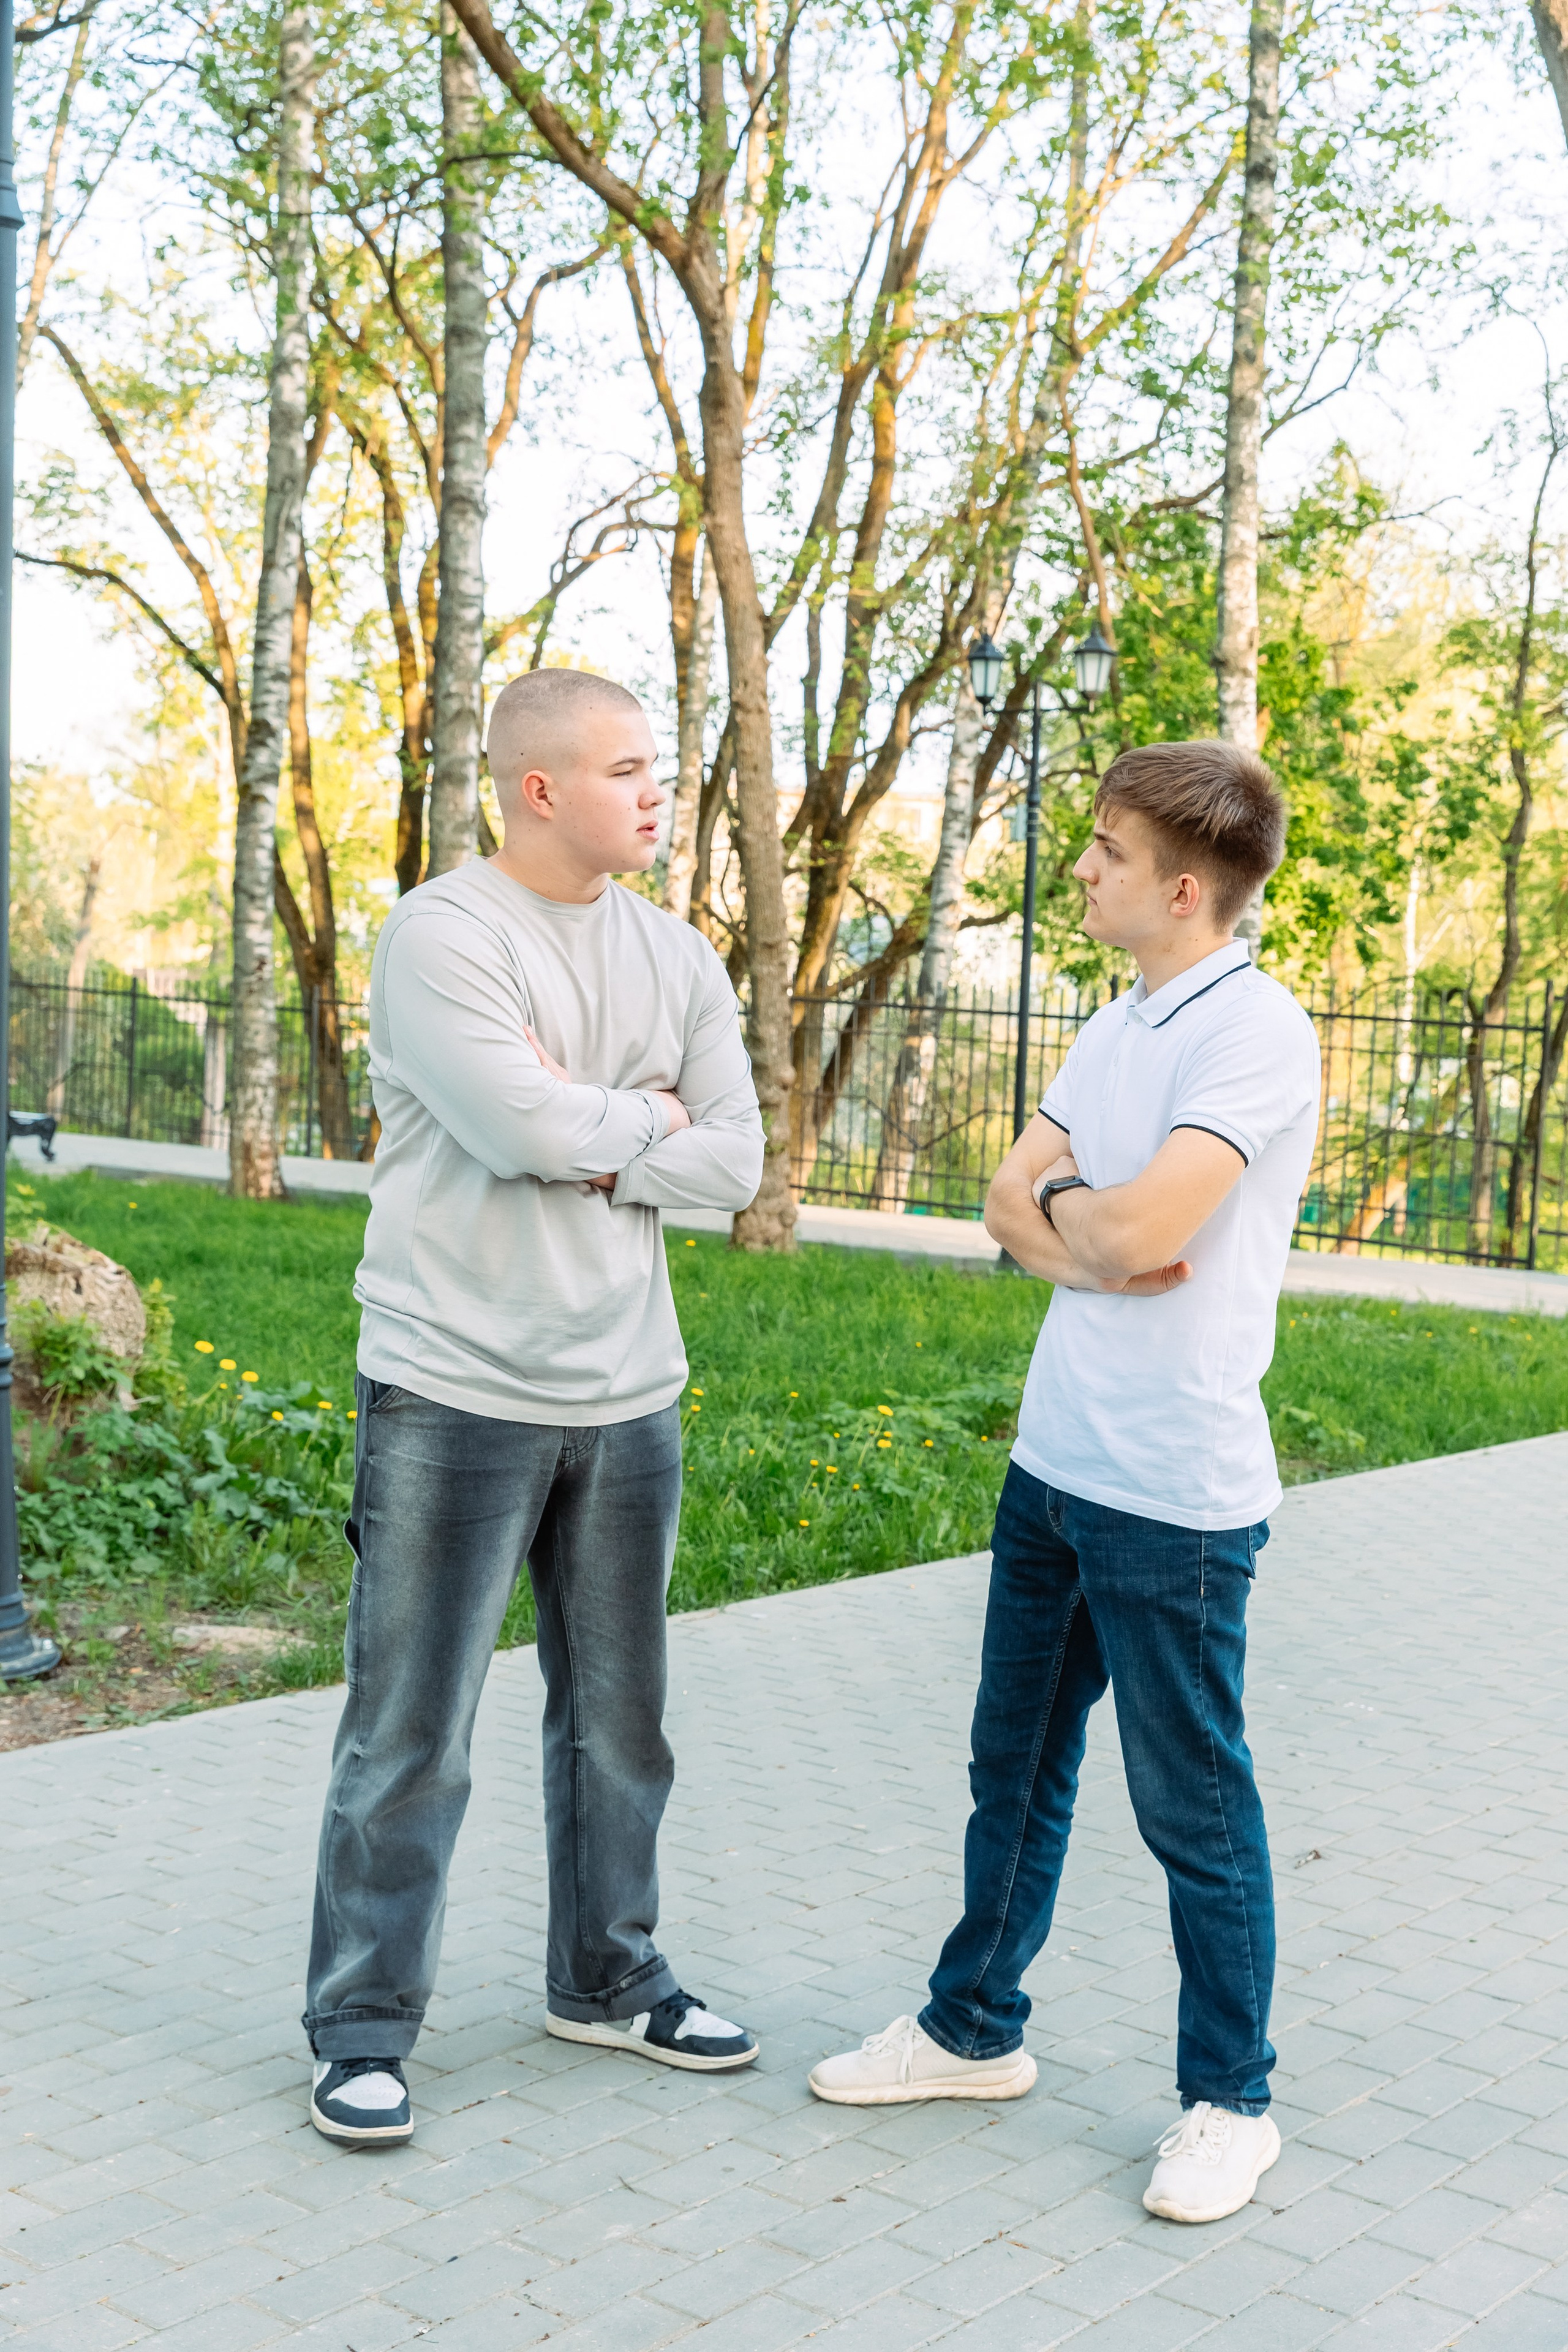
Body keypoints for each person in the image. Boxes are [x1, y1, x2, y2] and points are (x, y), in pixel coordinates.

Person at [808, 740, 1320, 2228]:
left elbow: (1132, 1225)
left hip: (1176, 1492)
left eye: (1102, 849)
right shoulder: (1111, 1028)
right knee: (1011, 1771)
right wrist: (1081, 1229)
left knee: (1192, 1809)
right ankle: (972, 2031)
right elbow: (1019, 1209)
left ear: (1178, 883)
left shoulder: (1254, 1033)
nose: (1080, 866)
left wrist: (1081, 1223)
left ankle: (1230, 2103)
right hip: (1053, 1467)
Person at [303, 669, 766, 2148]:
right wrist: (642, 1125)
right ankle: (363, 2028)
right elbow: (516, 1123)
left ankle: (609, 1980)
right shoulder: (443, 937)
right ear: (538, 789)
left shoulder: (678, 956)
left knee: (621, 1726)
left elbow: (737, 1164)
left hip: (629, 1390)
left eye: (661, 769)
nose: (657, 793)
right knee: (411, 1731)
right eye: (628, 769)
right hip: (453, 1385)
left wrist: (592, 1135)